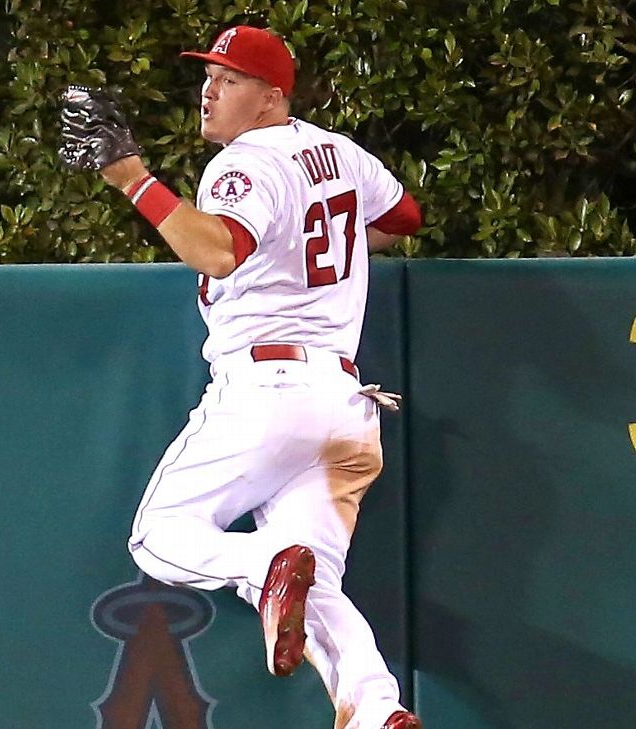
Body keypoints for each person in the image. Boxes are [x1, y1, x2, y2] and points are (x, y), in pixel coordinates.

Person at [59, 24, 424, 729]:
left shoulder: (244, 162)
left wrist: (134, 177)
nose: (209, 90)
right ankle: (378, 709)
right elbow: (404, 216)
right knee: (318, 589)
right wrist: (338, 236)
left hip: (268, 394)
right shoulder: (340, 152)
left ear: (271, 97)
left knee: (159, 535)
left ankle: (264, 563)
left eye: (229, 79)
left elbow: (220, 251)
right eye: (209, 75)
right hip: (346, 406)